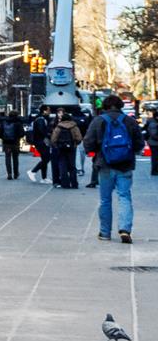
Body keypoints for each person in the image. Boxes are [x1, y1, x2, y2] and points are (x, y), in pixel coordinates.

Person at [84, 94, 143, 242]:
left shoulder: (98, 121)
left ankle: (105, 233)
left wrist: (95, 151)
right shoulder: (130, 121)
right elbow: (140, 143)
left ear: (104, 106)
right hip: (125, 164)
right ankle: (124, 229)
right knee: (124, 196)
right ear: (120, 106)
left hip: (105, 165)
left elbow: (88, 142)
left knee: (105, 199)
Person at [49, 108, 82, 188]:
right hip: (72, 148)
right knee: (72, 166)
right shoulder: (74, 126)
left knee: (62, 165)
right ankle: (74, 184)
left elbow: (53, 139)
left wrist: (56, 145)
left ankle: (65, 183)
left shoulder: (58, 127)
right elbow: (79, 138)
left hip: (61, 148)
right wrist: (75, 144)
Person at [0, 108, 26, 180]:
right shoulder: (18, 123)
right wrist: (18, 137)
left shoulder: (4, 122)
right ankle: (16, 173)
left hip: (6, 143)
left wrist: (4, 138)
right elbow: (22, 133)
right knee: (15, 158)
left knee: (7, 158)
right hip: (15, 143)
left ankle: (9, 174)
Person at [28, 107, 52, 182]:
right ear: (44, 111)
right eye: (48, 110)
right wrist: (49, 135)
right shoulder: (41, 120)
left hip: (41, 141)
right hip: (41, 142)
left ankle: (44, 178)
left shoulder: (40, 119)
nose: (50, 112)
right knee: (46, 158)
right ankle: (33, 171)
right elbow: (42, 131)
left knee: (45, 159)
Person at [146, 107, 158, 177]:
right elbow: (153, 134)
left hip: (154, 142)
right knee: (155, 157)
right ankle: (154, 170)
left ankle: (155, 170)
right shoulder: (153, 123)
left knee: (155, 157)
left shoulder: (153, 122)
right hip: (154, 143)